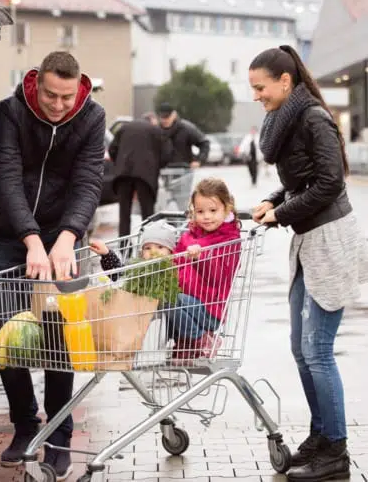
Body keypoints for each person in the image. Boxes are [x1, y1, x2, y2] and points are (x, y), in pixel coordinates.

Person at [0, 51, 106, 480]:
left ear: (80, 88)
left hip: (63, 240)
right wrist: (31, 240)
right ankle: (25, 426)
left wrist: (67, 237)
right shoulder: (10, 111)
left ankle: (58, 436)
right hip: (8, 237)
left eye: (66, 97)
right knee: (7, 337)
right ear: (37, 84)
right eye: (51, 95)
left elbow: (89, 180)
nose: (58, 105)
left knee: (58, 340)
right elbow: (6, 178)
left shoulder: (91, 118)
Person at [250, 45, 368, 482]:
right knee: (301, 349)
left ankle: (335, 450)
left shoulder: (313, 117)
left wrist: (281, 213)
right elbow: (302, 181)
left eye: (261, 87)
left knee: (317, 351)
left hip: (331, 240)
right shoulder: (285, 120)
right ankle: (320, 437)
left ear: (285, 82)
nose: (257, 96)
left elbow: (330, 182)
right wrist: (272, 199)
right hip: (308, 241)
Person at [172, 178, 241, 360]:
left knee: (169, 299)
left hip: (209, 309)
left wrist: (201, 258)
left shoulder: (229, 241)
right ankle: (191, 340)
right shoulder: (188, 236)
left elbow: (219, 277)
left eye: (213, 210)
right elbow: (174, 263)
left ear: (227, 208)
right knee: (164, 298)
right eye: (200, 211)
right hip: (186, 302)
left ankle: (201, 339)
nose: (207, 216)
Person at [108, 113, 173, 238]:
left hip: (123, 174)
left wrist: (120, 163)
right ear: (152, 120)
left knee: (124, 213)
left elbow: (112, 149)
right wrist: (156, 166)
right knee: (148, 213)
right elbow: (167, 153)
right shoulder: (155, 130)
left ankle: (124, 245)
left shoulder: (124, 127)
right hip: (146, 175)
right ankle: (148, 242)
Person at [89, 219, 177, 274]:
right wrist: (106, 254)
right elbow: (120, 273)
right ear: (142, 253)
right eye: (147, 248)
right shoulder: (139, 271)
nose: (153, 252)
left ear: (171, 251)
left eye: (160, 247)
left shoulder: (177, 271)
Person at [157, 102, 210, 168]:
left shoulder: (186, 128)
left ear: (174, 114)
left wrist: (199, 160)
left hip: (184, 170)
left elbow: (204, 143)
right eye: (162, 117)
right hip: (164, 171)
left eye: (167, 117)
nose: (164, 120)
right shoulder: (156, 131)